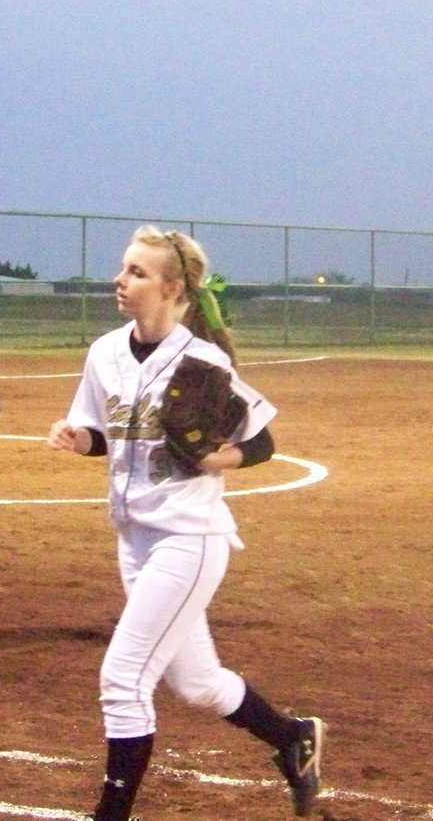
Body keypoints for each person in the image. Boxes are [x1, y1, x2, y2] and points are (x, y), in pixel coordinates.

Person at [48, 226, 325, 820]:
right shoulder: (104, 353)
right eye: (124, 269)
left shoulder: (202, 362)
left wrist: (216, 457)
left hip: (189, 537)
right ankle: (292, 737)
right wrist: (81, 440)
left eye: (137, 273)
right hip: (134, 539)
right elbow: (106, 434)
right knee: (199, 684)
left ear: (172, 289)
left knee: (122, 681)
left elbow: (263, 440)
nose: (120, 281)